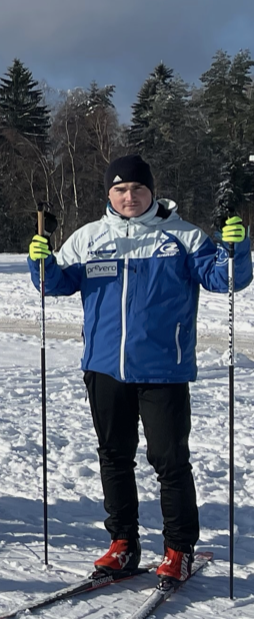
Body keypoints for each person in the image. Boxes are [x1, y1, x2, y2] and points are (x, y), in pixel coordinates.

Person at [30, 153, 248, 581]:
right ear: (109, 194)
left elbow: (225, 280)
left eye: (137, 189)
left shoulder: (183, 237)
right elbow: (54, 285)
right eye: (120, 189)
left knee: (169, 461)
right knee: (114, 456)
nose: (129, 196)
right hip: (104, 367)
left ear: (151, 191)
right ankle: (123, 543)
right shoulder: (88, 238)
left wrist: (237, 251)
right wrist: (41, 260)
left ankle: (178, 548)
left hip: (164, 367)